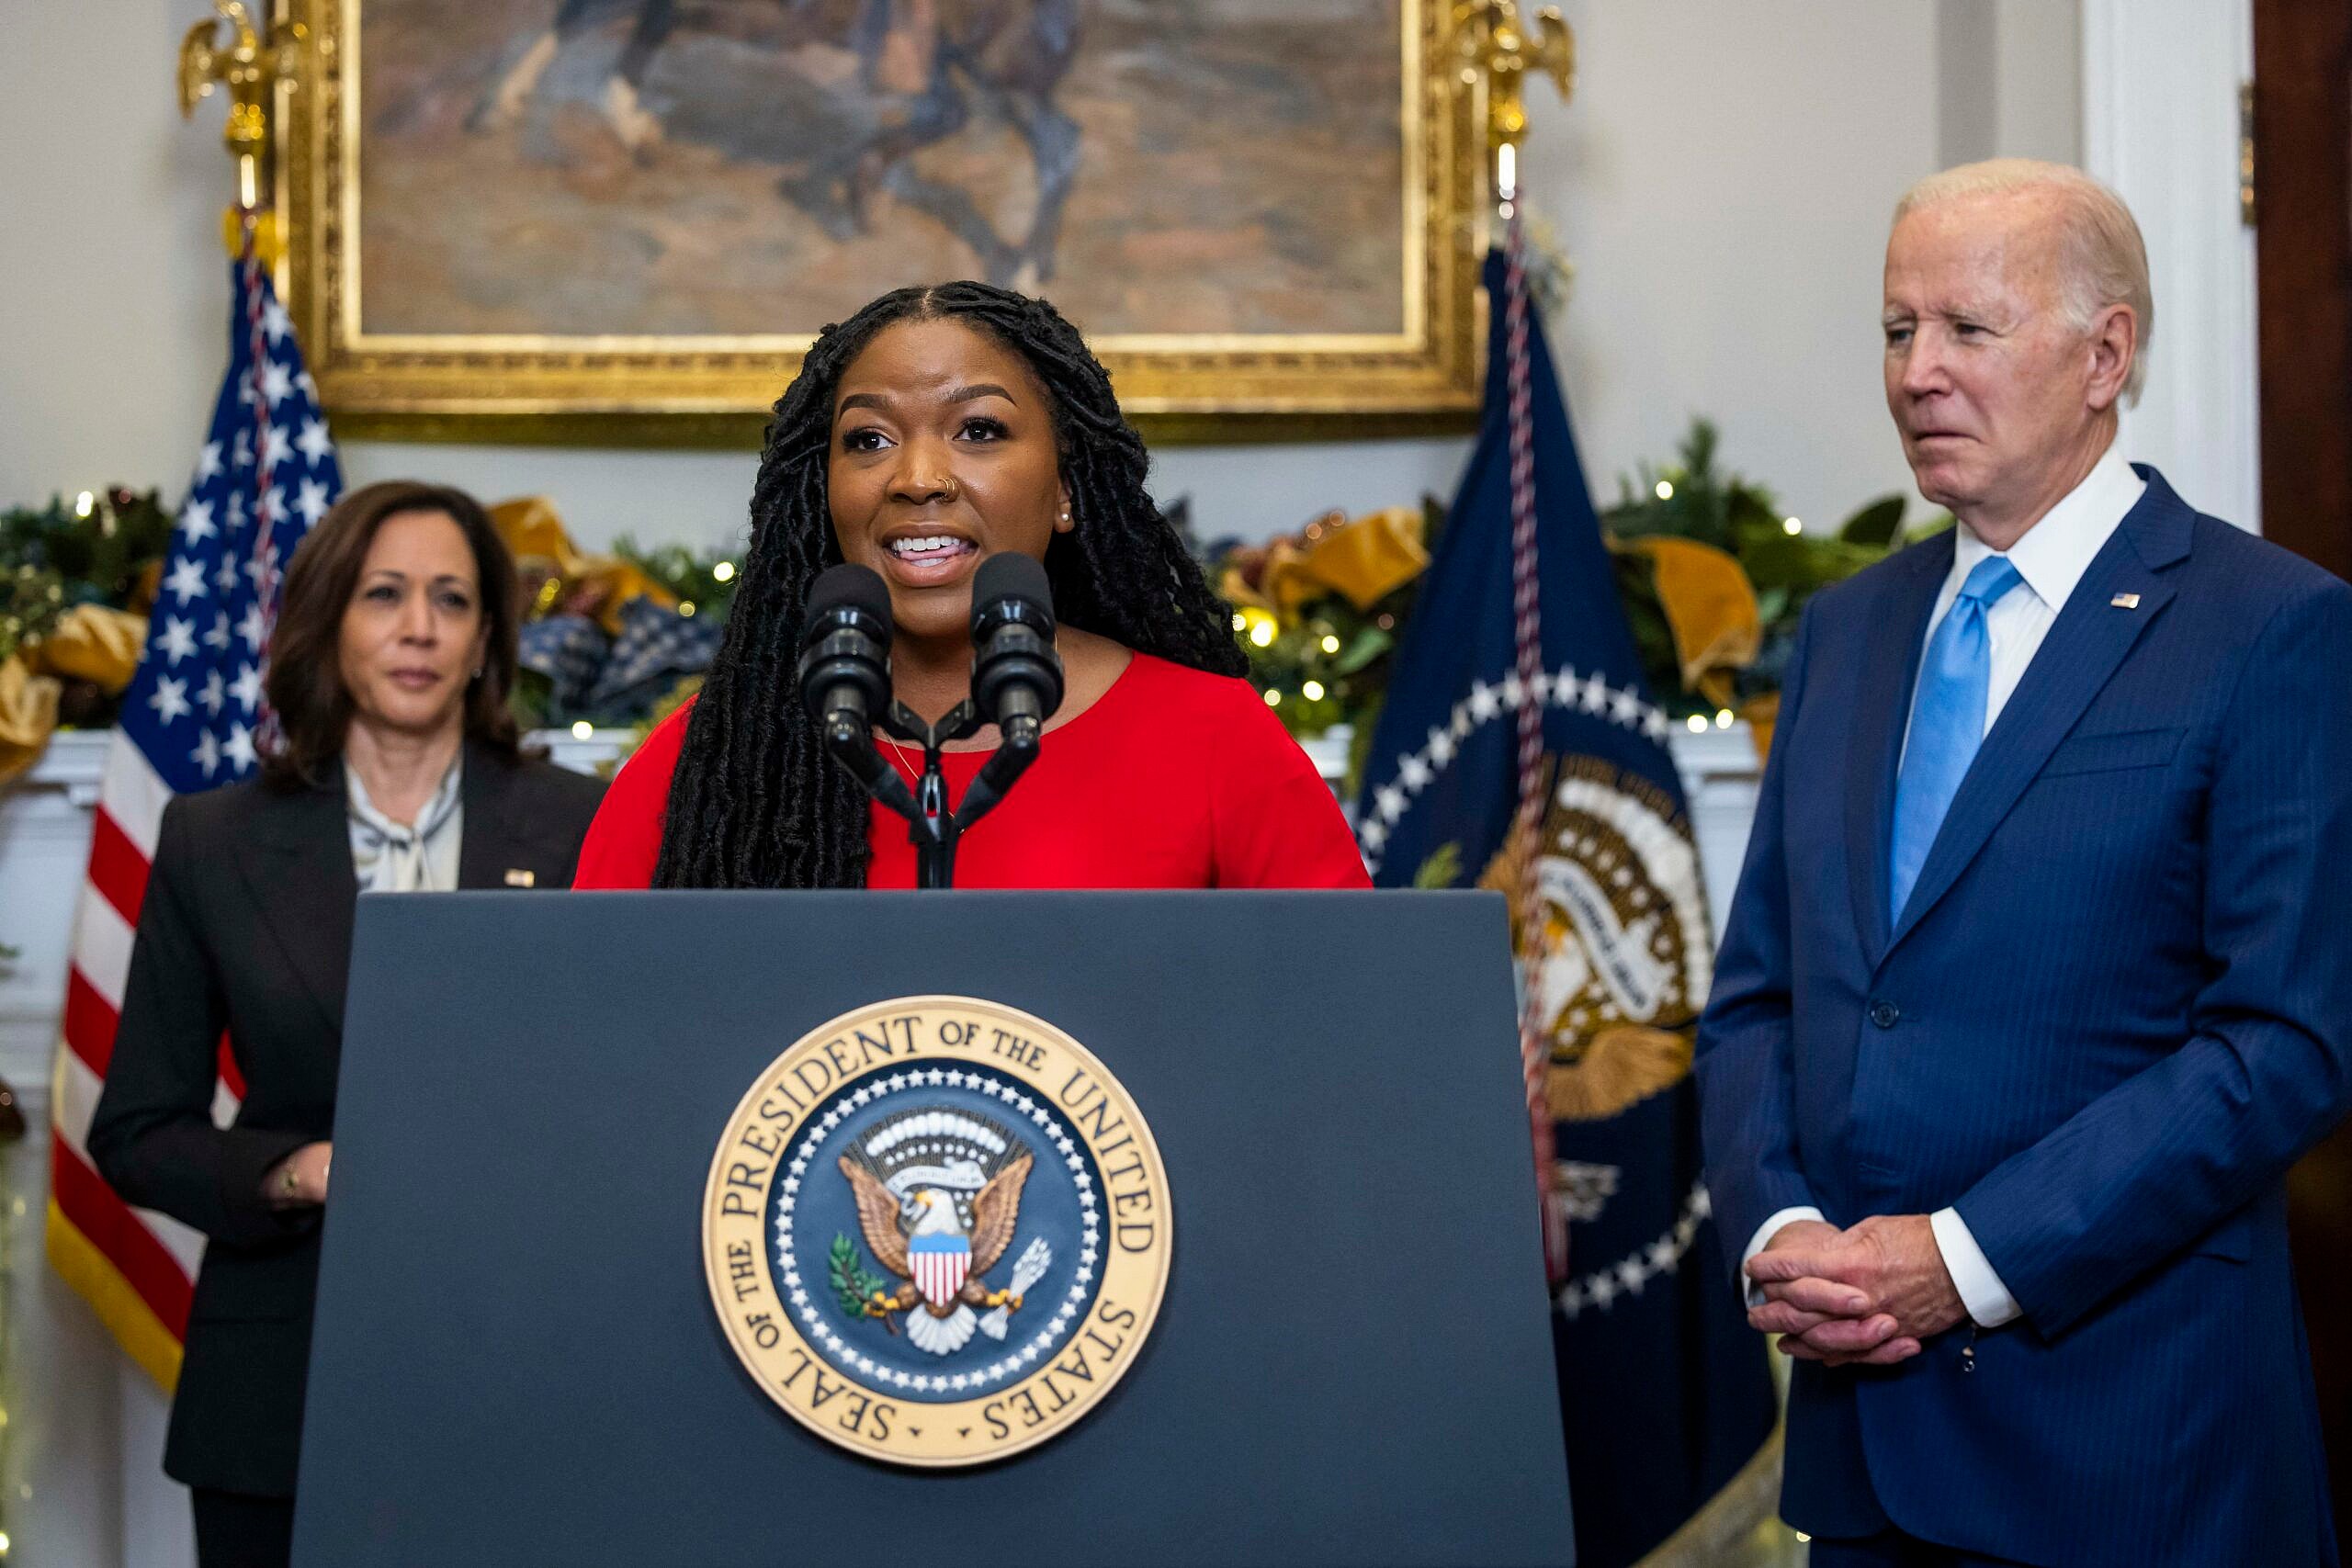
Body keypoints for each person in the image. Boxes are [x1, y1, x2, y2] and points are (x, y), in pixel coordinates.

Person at [1694, 158, 2352, 1567]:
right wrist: (1786, 1230)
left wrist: (1962, 1260)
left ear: (2105, 352)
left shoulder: (2267, 626)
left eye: (1967, 331)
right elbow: (1760, 991)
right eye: (1895, 329)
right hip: (1867, 1456)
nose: (1918, 372)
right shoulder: (1850, 630)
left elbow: (2280, 1042)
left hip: (2131, 1456)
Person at [87, 480, 605, 1567]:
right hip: (279, 1386)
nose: (419, 627)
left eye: (452, 599)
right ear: (329, 622)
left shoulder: (577, 824)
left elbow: (630, 1094)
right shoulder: (212, 841)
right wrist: (298, 1171)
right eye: (385, 595)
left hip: (529, 1369)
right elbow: (137, 1131)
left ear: (485, 642)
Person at [574, 281, 1368, 891]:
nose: (918, 478)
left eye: (979, 430)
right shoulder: (713, 759)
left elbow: (1353, 1030)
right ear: (825, 488)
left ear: (1065, 486)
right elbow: (592, 1046)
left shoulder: (1213, 739)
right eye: (869, 438)